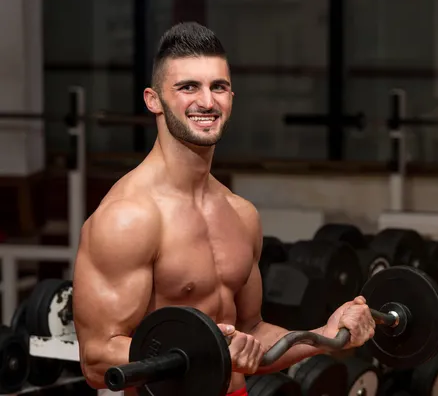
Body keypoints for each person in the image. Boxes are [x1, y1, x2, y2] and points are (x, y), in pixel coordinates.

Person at [72, 21, 376, 396]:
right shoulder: (128, 217)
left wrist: (325, 335)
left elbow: (253, 334)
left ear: (232, 97)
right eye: (188, 87)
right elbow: (97, 358)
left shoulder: (241, 214)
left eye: (219, 87)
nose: (207, 102)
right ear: (153, 100)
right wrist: (209, 350)